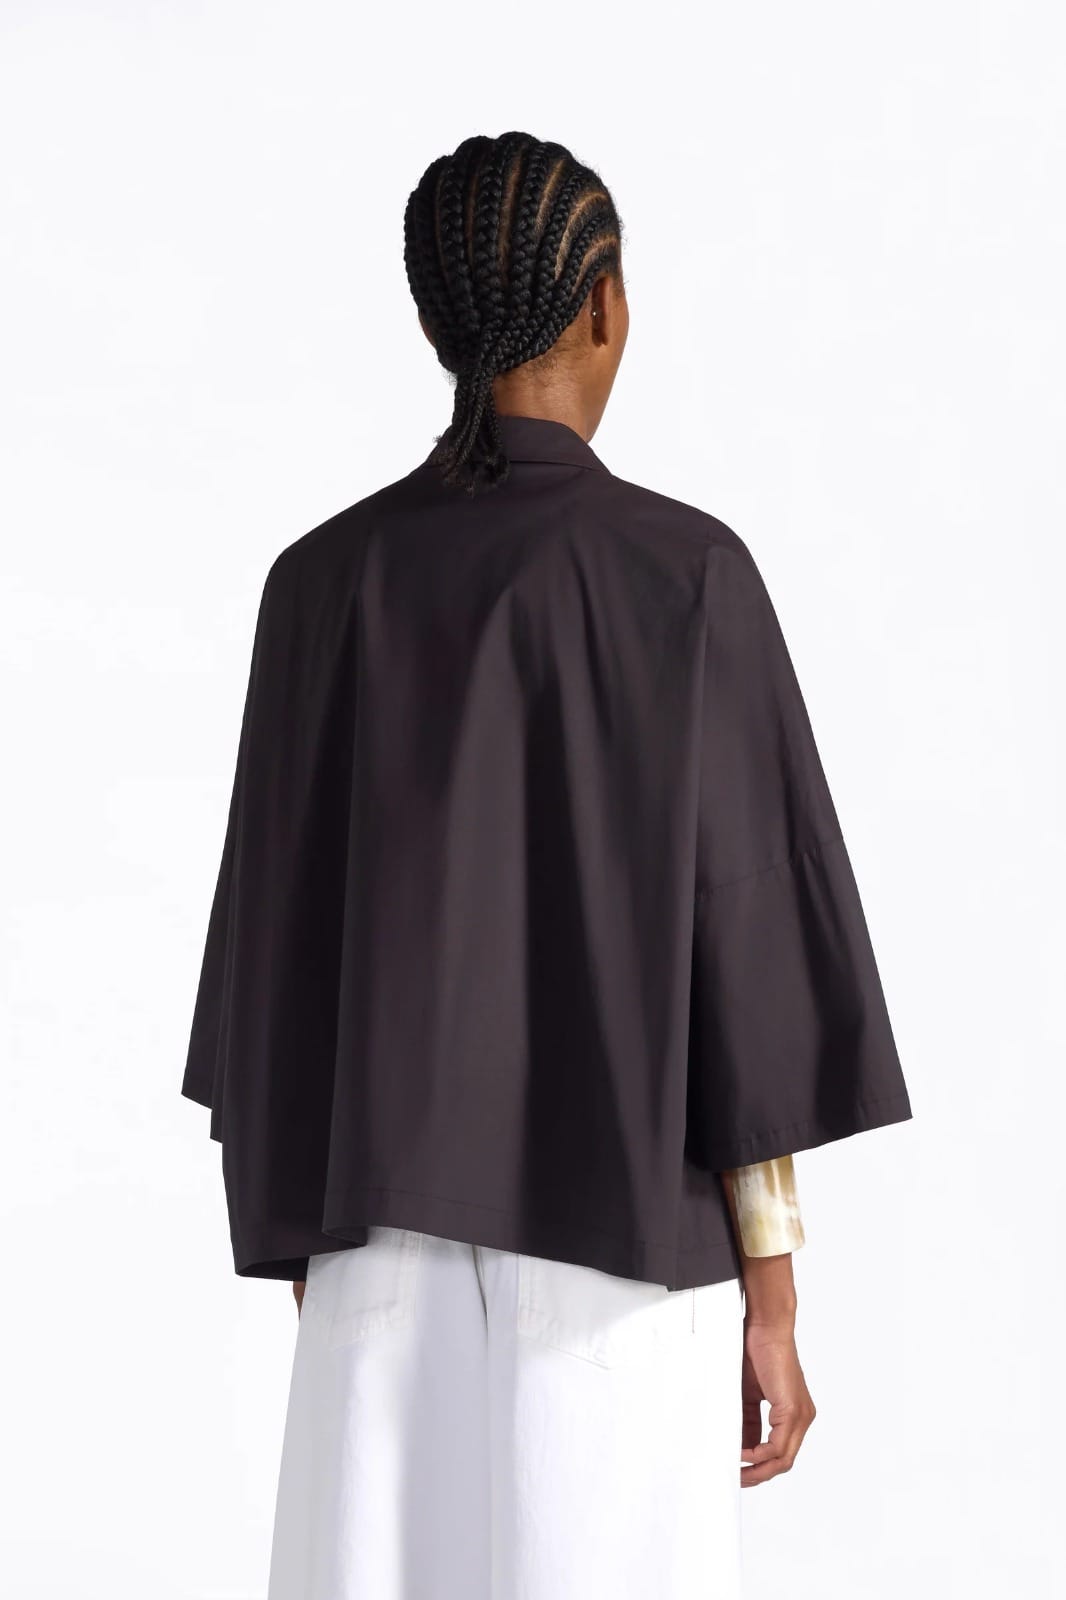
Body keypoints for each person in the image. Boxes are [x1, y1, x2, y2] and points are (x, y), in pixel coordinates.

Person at [181, 131, 913, 1600]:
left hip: (374, 1239)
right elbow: (743, 951)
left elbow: (273, 943)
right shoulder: (683, 574)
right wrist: (772, 1297)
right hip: (624, 1252)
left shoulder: (320, 583)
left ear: (436, 321)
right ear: (603, 304)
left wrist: (308, 1248)